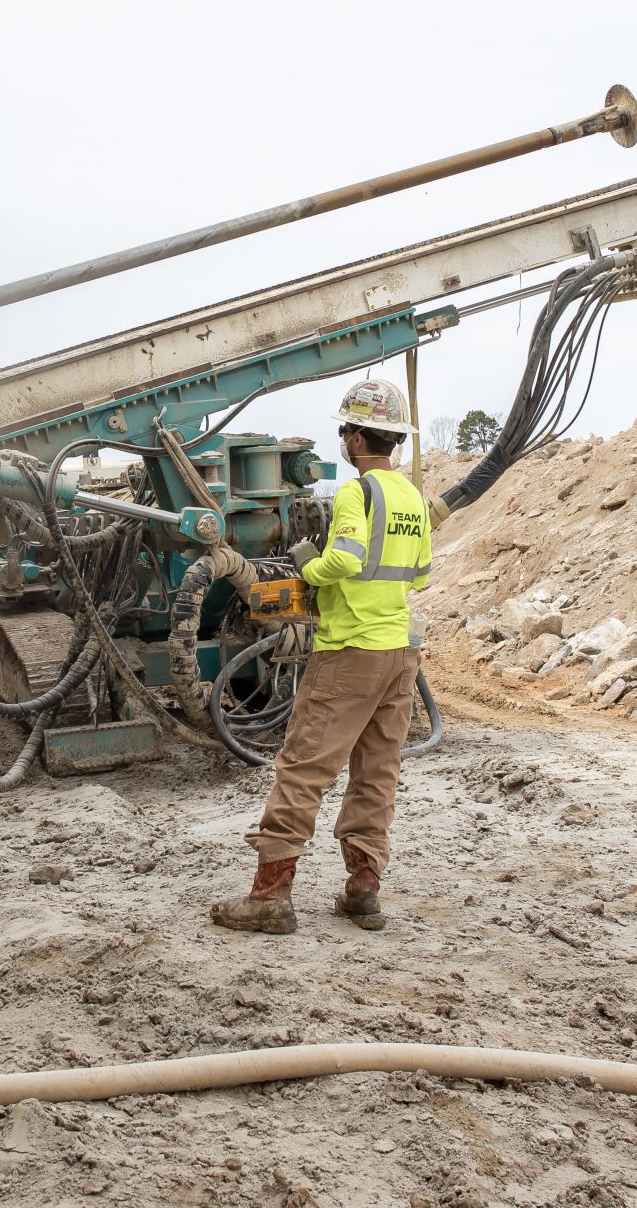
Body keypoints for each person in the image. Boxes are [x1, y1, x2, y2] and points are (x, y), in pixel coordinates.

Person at [210, 378, 432, 935]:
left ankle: (270, 895)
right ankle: (363, 891)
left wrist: (308, 569)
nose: (342, 439)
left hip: (350, 649)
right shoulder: (412, 496)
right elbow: (421, 572)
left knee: (304, 766)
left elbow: (349, 558)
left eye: (344, 431)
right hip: (401, 653)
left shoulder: (360, 492)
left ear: (357, 437)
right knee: (377, 773)